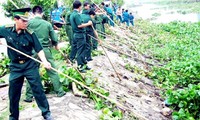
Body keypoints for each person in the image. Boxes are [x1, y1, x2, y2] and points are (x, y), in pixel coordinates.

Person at [0, 8, 52, 120]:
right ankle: (13, 117)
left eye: (27, 20)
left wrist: (44, 61)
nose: (26, 23)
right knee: (13, 94)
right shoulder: (6, 30)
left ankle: (46, 113)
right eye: (23, 20)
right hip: (15, 67)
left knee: (38, 89)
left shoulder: (30, 33)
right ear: (16, 19)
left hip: (29, 65)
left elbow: (39, 49)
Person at [24, 6, 66, 102]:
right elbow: (54, 37)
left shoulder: (28, 23)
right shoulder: (47, 24)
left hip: (33, 50)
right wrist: (56, 44)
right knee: (52, 70)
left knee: (31, 72)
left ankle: (29, 96)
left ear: (33, 13)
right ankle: (59, 91)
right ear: (42, 13)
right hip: (45, 50)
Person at [70, 1, 93, 73]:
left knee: (79, 49)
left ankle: (83, 64)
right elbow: (79, 25)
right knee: (81, 51)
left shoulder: (72, 14)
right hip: (79, 35)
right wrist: (88, 23)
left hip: (75, 34)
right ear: (79, 6)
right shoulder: (76, 15)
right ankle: (80, 66)